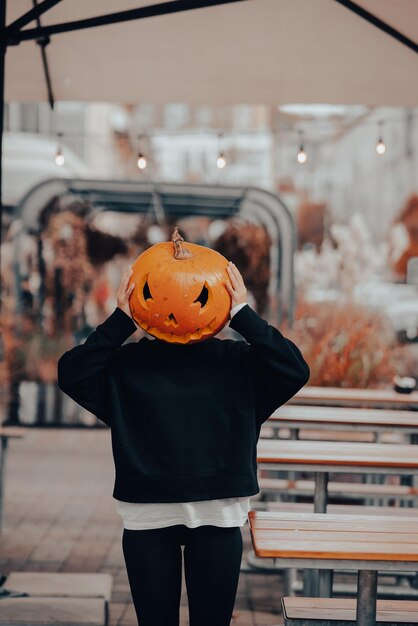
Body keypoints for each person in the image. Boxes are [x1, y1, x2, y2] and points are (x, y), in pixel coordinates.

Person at [57, 259, 310, 626]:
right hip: (197, 513)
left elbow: (73, 372)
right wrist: (242, 315)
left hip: (167, 513)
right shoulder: (239, 363)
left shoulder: (126, 366)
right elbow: (293, 368)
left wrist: (121, 321)